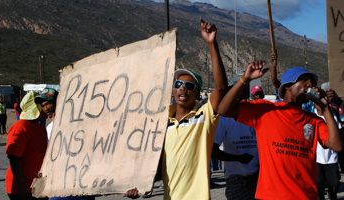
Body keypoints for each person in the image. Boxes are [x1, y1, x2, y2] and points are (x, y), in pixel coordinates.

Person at [124, 18, 228, 200]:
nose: (182, 88)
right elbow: (163, 168)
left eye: (189, 87)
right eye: (178, 84)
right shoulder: (163, 124)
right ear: (173, 89)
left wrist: (212, 45)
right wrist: (139, 187)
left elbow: (220, 88)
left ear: (197, 95)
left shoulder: (204, 118)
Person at [217, 61, 342, 199]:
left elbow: (336, 145)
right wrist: (244, 79)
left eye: (312, 82)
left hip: (305, 196)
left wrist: (325, 109)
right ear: (288, 86)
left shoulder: (314, 120)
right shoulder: (265, 110)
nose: (310, 85)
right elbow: (223, 110)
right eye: (304, 80)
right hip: (270, 196)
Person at [34, 88, 95, 200]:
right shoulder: (48, 128)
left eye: (48, 103)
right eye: (43, 105)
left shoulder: (76, 122)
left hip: (80, 184)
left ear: (58, 101)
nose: (46, 108)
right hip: (59, 187)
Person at [212, 85, 258, 200]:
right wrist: (238, 158)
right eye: (234, 97)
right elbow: (213, 151)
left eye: (242, 97)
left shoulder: (255, 116)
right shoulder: (223, 119)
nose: (239, 101)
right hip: (236, 178)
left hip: (257, 176)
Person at [5, 91, 48, 200]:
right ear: (36, 109)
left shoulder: (40, 128)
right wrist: (20, 184)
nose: (46, 109)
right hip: (22, 188)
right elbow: (14, 157)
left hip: (36, 186)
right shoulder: (20, 127)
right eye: (42, 106)